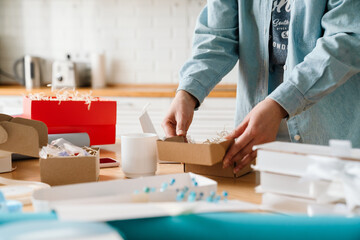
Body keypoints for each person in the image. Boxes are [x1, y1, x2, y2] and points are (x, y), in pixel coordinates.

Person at [162, 0, 360, 174]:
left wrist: (280, 104)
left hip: (330, 142)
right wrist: (187, 93)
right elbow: (216, 36)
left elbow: (346, 39)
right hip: (254, 150)